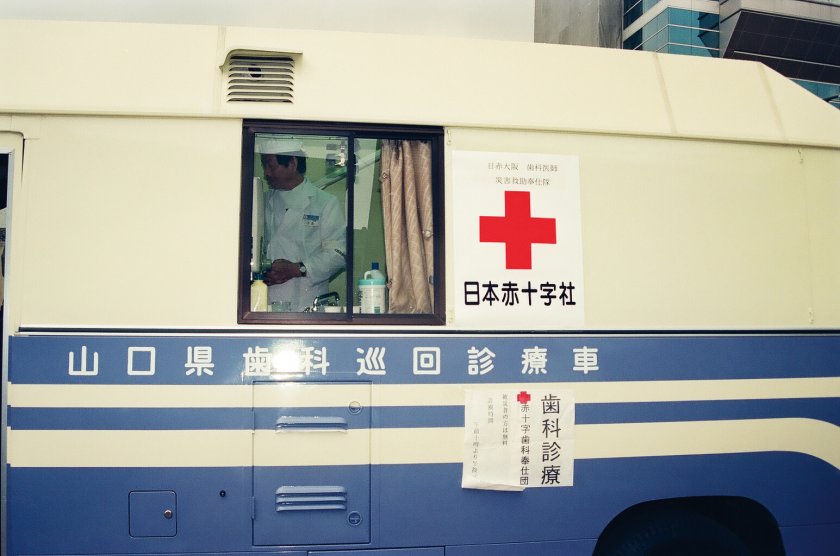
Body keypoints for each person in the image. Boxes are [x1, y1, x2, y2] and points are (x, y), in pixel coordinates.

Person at [256, 137, 346, 311]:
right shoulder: (260, 201)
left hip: (308, 303)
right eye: (264, 165)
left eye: (271, 165)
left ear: (292, 163)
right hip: (264, 303)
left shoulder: (325, 203)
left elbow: (339, 254)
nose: (266, 172)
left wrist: (298, 269)